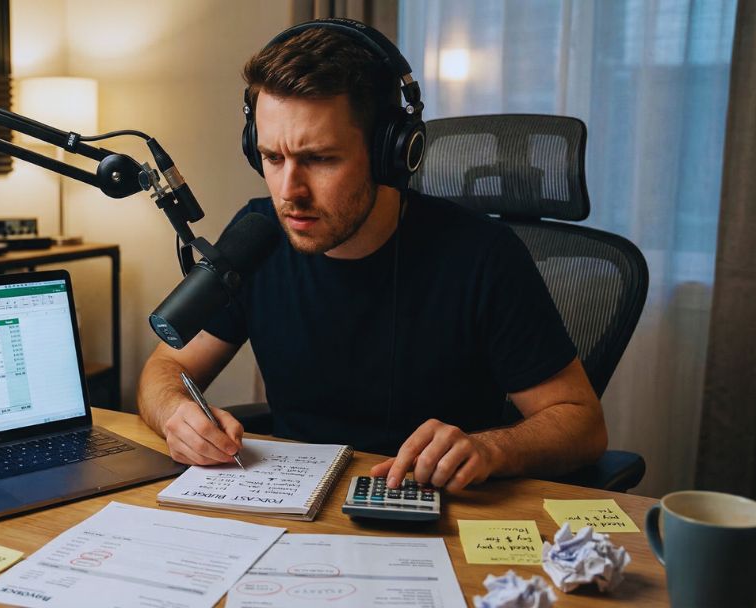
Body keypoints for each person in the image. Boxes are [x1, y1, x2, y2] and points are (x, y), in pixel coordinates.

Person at [137, 19, 607, 492]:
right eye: (273, 158)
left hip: (434, 508)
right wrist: (177, 412)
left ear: (390, 153)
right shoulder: (255, 236)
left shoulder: (484, 255)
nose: (289, 192)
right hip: (291, 505)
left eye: (320, 159)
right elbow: (166, 367)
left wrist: (492, 449)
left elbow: (582, 424)